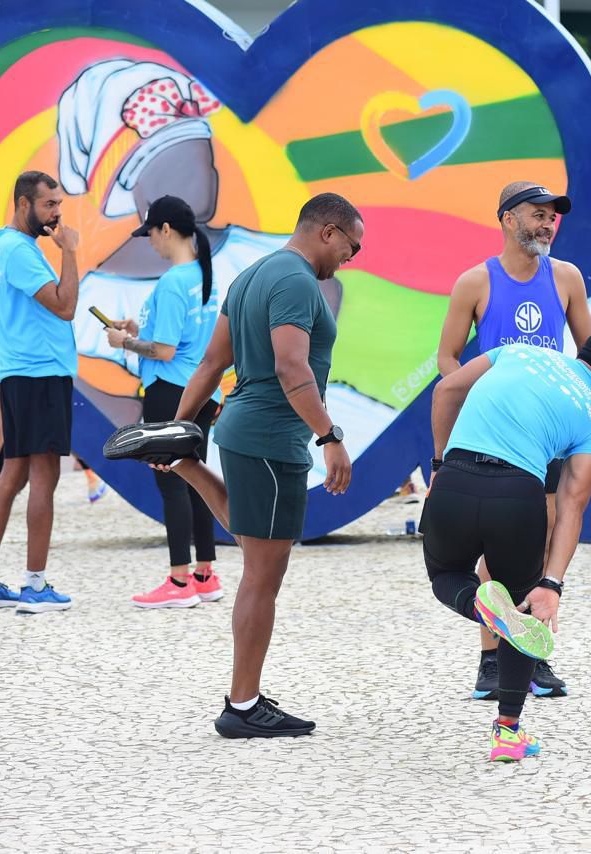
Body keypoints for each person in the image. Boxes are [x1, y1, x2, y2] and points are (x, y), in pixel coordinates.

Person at [108, 192, 362, 737]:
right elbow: (293, 367)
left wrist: (175, 429)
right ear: (327, 230)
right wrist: (330, 436)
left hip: (244, 429)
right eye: (351, 245)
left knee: (252, 542)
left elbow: (209, 363)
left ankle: (185, 464)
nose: (351, 257)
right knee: (262, 576)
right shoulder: (296, 281)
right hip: (273, 436)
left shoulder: (250, 276)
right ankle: (242, 705)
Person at [424, 326, 591, 761]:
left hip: (456, 480)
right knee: (522, 606)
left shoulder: (517, 352)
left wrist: (440, 464)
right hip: (517, 499)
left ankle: (478, 607)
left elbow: (446, 390)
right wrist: (551, 583)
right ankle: (507, 734)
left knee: (447, 575)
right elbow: (571, 508)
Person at [437, 182, 591, 701]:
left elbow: (590, 360)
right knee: (493, 549)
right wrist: (479, 404)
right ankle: (489, 658)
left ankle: (533, 655)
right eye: (537, 215)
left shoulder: (567, 277)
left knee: (543, 545)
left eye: (553, 217)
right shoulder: (475, 282)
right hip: (494, 434)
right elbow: (447, 359)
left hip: (545, 434)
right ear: (507, 219)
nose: (548, 224)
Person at [0, 171, 80, 613]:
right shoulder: (20, 252)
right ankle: (34, 586)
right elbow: (65, 306)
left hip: (18, 372)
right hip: (40, 373)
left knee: (12, 475)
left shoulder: (1, 246)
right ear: (22, 203)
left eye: (58, 205)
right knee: (43, 478)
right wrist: (69, 252)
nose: (57, 214)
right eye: (49, 205)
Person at [105, 195, 223, 608]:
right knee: (197, 480)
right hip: (204, 390)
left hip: (170, 390)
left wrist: (126, 341)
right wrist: (141, 328)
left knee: (170, 477)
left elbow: (167, 351)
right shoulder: (204, 275)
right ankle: (205, 574)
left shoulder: (173, 281)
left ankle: (178, 582)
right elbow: (187, 336)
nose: (150, 242)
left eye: (151, 233)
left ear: (167, 230)